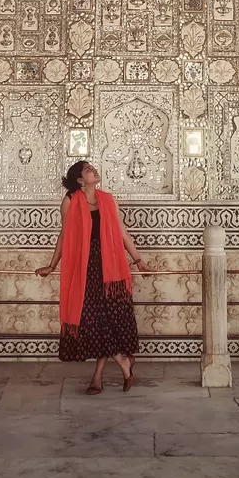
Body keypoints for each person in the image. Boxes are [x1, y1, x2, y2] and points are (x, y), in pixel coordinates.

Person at [36, 161, 151, 394]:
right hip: (84, 268)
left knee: (107, 319)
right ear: (80, 180)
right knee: (94, 319)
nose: (94, 171)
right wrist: (52, 264)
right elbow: (64, 235)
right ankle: (123, 361)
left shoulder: (108, 200)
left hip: (111, 269)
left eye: (92, 168)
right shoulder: (70, 201)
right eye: (88, 170)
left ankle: (97, 377)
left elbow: (122, 232)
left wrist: (138, 260)